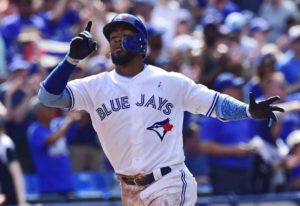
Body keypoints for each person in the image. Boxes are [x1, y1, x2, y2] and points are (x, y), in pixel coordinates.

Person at [38, 13, 284, 205]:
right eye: (113, 37)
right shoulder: (95, 86)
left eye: (125, 35)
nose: (116, 40)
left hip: (169, 181)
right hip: (129, 188)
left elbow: (214, 102)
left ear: (141, 42)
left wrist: (248, 111)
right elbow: (48, 96)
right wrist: (70, 60)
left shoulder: (170, 82)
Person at [199, 72, 257, 195]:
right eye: (234, 88)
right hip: (223, 172)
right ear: (223, 92)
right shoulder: (212, 116)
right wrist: (235, 150)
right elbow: (205, 146)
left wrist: (254, 145)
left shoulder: (243, 112)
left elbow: (252, 136)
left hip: (246, 171)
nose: (239, 91)